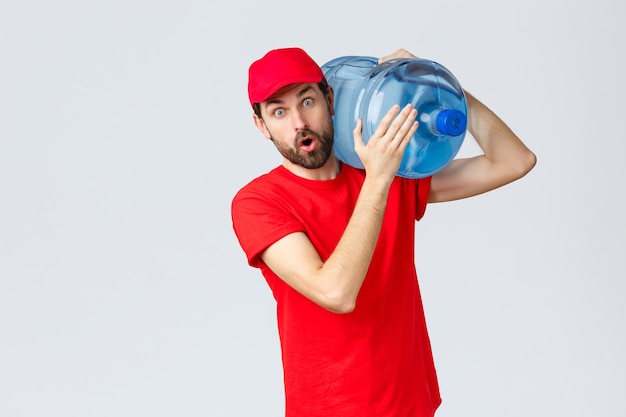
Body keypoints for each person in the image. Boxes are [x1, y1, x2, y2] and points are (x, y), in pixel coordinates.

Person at [231, 47, 536, 417]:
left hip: (411, 405)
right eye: (279, 111)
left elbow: (514, 161)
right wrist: (378, 177)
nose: (299, 123)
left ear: (330, 99)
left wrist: (442, 87)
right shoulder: (259, 202)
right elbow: (336, 293)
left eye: (307, 101)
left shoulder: (389, 171)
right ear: (261, 125)